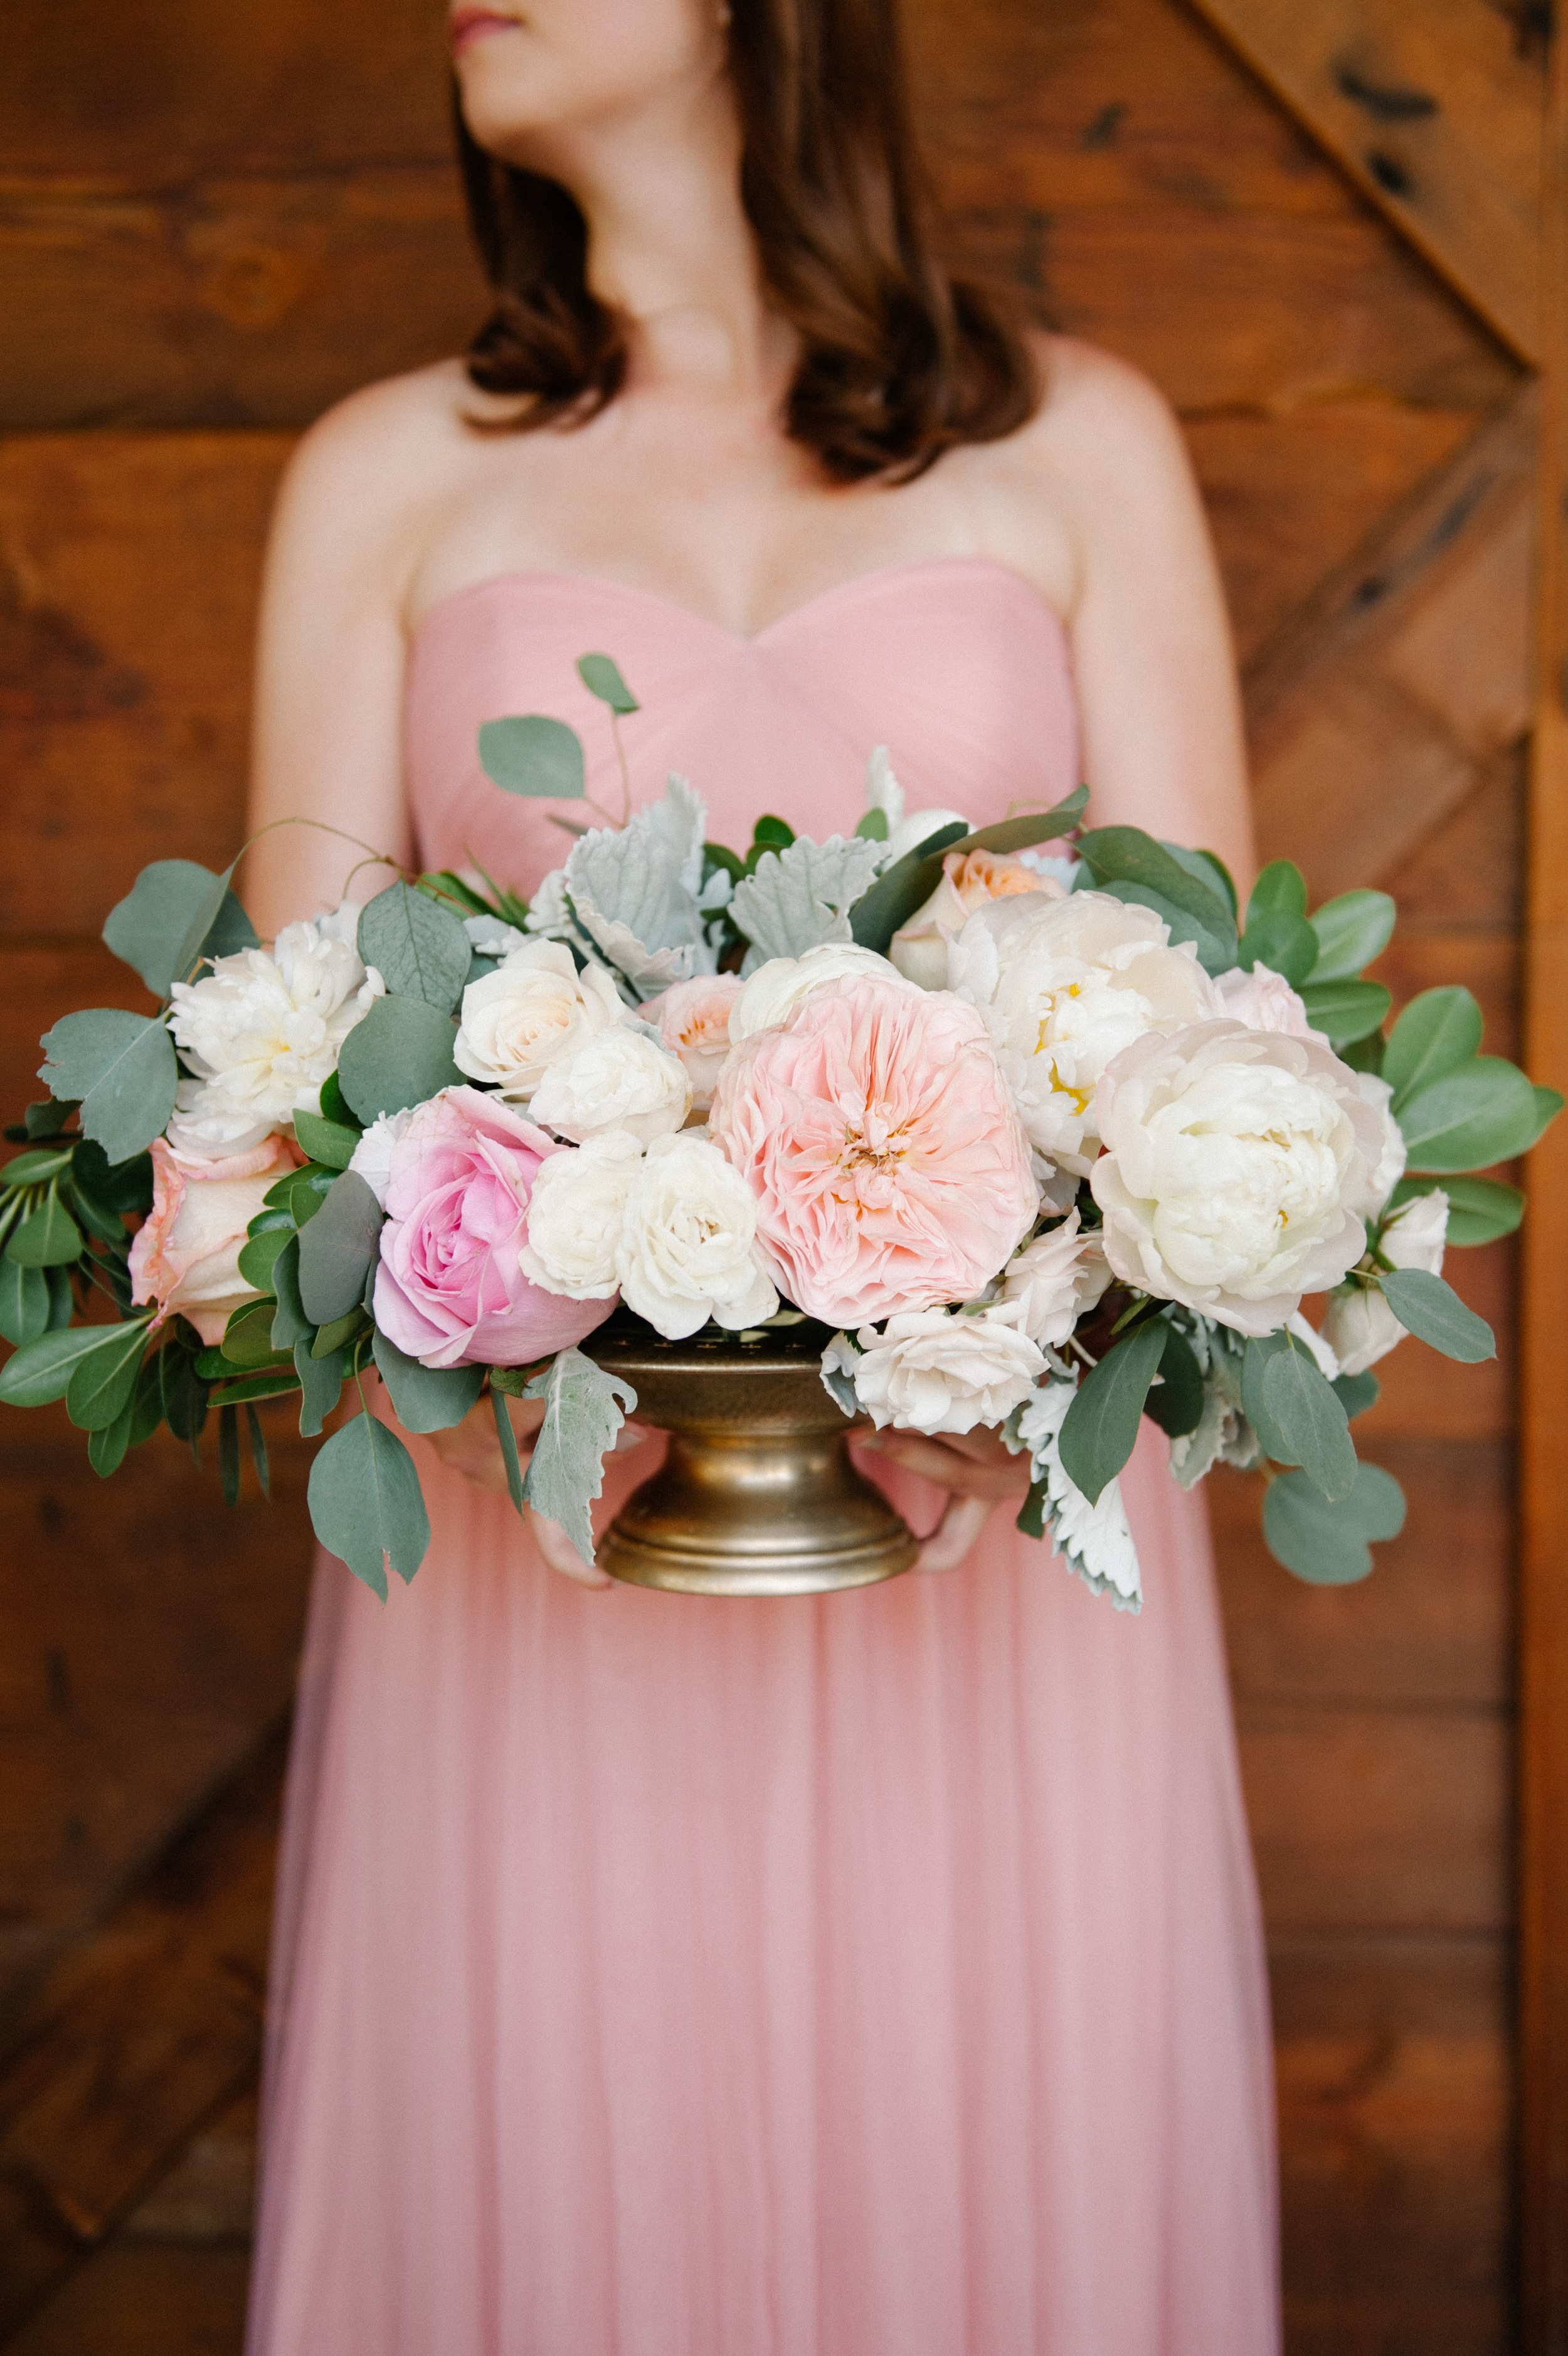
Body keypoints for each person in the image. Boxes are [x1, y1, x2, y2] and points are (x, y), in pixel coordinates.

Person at [243, 2, 1279, 2348]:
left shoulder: (1072, 451)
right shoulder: (389, 475)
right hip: (549, 1554)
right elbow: (292, 1082)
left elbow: (1218, 1038)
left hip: (986, 1546)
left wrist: (1016, 1379)